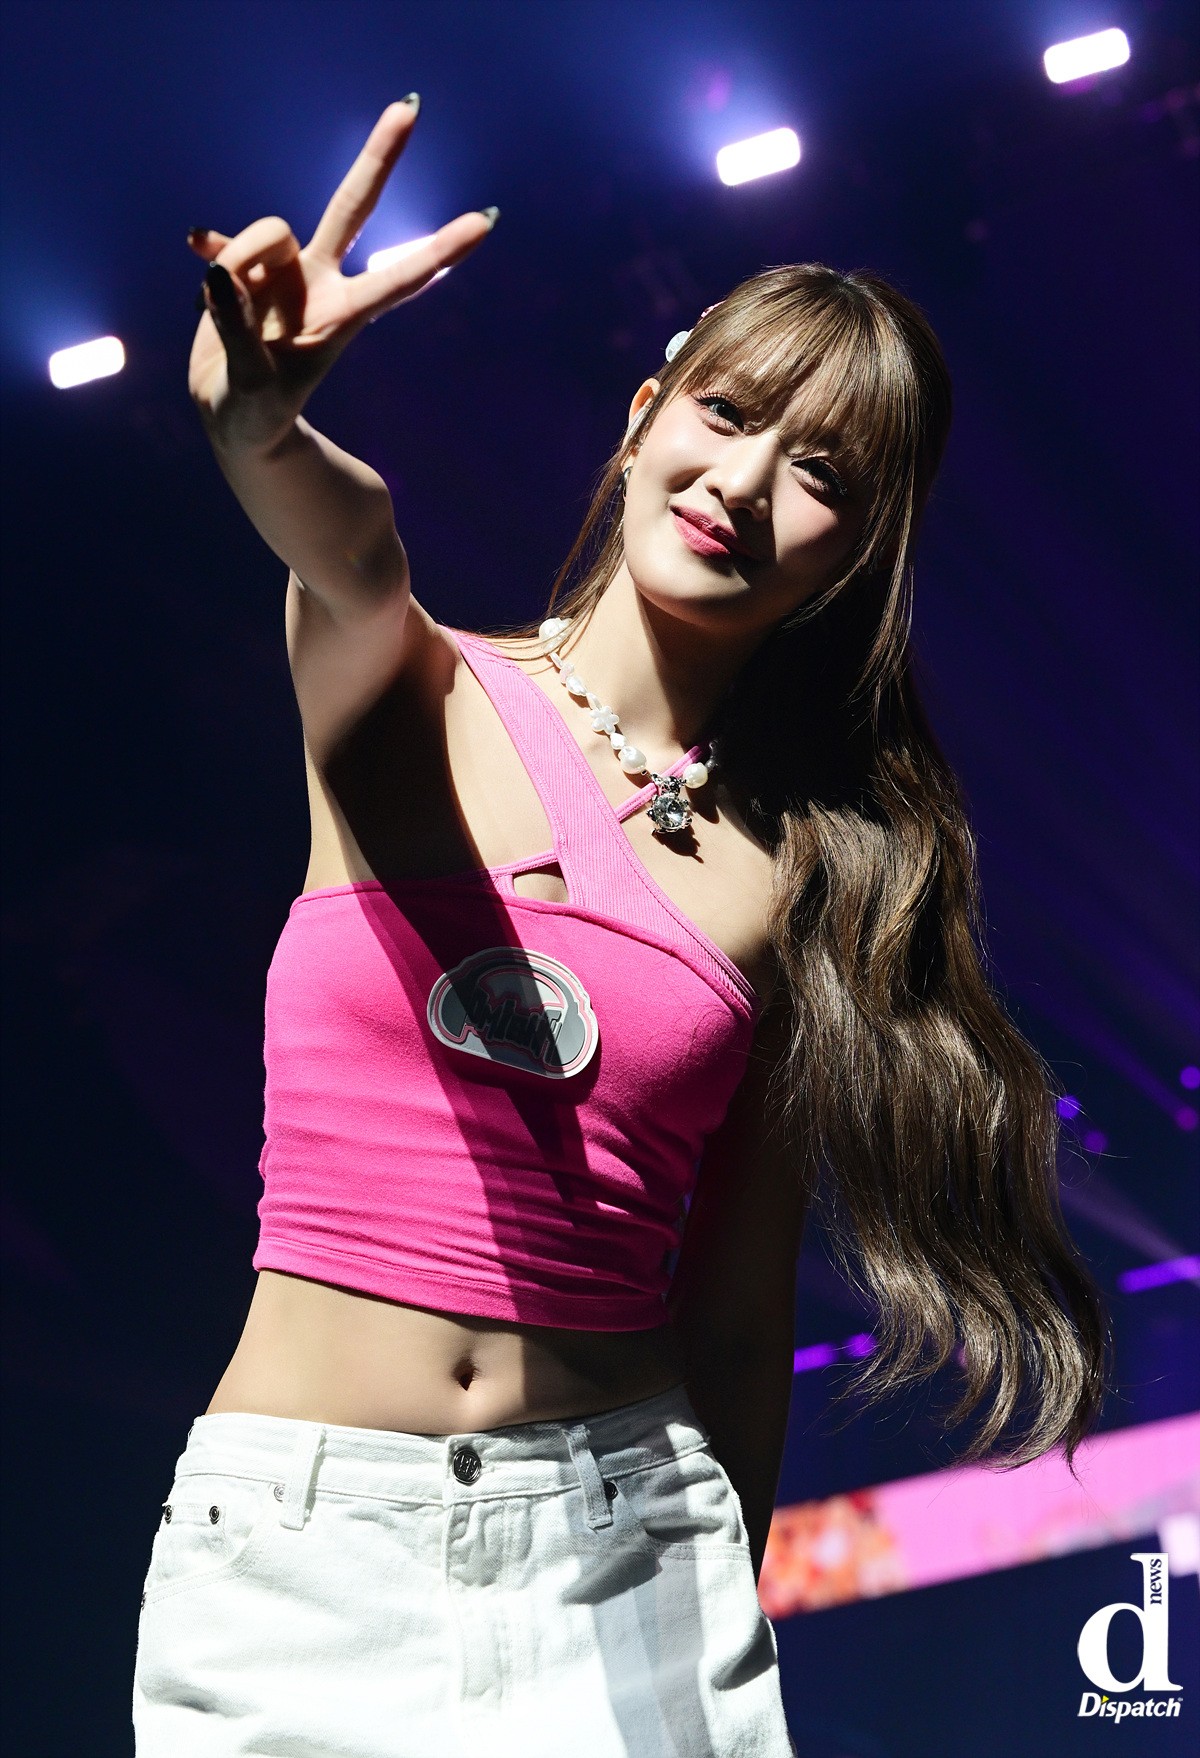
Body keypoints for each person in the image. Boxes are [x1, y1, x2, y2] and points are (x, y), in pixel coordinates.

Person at [132, 98, 1106, 1754]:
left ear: (855, 557)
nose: (745, 482)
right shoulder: (412, 684)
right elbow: (346, 540)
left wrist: (711, 1616)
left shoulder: (800, 881)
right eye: (727, 412)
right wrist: (256, 422)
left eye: (822, 475)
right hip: (301, 1556)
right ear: (645, 412)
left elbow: (735, 1319)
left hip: (628, 1552)